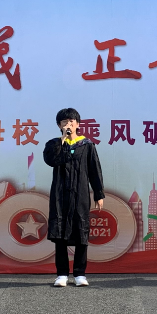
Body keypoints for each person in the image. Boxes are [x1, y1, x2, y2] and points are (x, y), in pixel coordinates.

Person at [43, 108, 104, 287]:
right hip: (60, 195)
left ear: (78, 124)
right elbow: (51, 161)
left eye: (71, 121)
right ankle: (62, 274)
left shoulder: (87, 145)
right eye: (64, 122)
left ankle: (80, 274)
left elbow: (94, 170)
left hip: (80, 195)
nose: (68, 124)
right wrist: (63, 140)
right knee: (60, 233)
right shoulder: (54, 144)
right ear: (59, 126)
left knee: (81, 232)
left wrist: (98, 194)